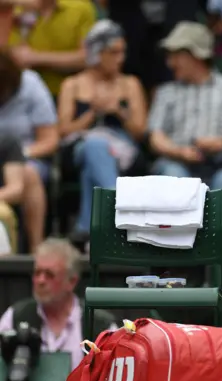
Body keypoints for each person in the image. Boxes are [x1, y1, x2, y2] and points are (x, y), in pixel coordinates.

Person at [147, 21, 222, 211]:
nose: (170, 63)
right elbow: (155, 137)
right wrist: (179, 152)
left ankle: (211, 237)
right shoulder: (166, 92)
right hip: (177, 163)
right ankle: (179, 236)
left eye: (176, 55)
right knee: (174, 175)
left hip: (221, 164)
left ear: (197, 55)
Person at [57, 19, 147, 247]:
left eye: (122, 52)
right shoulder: (73, 84)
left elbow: (141, 133)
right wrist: (92, 113)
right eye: (113, 52)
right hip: (80, 147)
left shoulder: (130, 84)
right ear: (97, 53)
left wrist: (119, 112)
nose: (120, 58)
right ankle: (119, 213)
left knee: (93, 169)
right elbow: (63, 131)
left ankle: (87, 231)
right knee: (95, 146)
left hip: (123, 151)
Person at [0, 238, 117, 372]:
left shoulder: (101, 325)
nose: (40, 281)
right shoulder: (15, 316)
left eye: (49, 275)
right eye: (37, 273)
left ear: (71, 282)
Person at [0, 47, 58, 253]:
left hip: (25, 157)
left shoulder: (30, 84)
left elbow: (50, 140)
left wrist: (16, 155)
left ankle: (35, 249)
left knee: (29, 172)